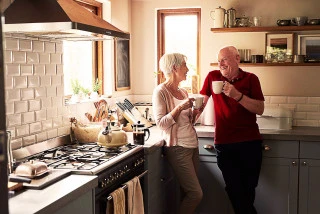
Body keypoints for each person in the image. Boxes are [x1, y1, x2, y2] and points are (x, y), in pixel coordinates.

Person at [198, 46, 265, 214]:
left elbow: (260, 108)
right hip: (225, 144)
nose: (220, 63)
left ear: (237, 58)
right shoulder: (213, 77)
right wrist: (188, 113)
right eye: (219, 60)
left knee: (248, 190)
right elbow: (201, 103)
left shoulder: (251, 79)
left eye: (225, 59)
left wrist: (237, 96)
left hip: (250, 143)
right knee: (234, 189)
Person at [152, 53, 203, 214]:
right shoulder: (160, 91)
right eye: (184, 65)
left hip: (192, 146)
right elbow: (161, 124)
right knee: (196, 194)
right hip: (178, 148)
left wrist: (196, 113)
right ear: (174, 68)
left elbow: (186, 122)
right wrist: (180, 107)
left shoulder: (183, 92)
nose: (187, 69)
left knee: (186, 193)